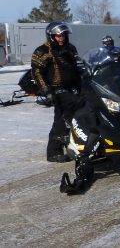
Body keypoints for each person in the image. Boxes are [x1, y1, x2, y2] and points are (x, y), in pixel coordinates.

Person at [31, 21, 83, 163]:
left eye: (63, 35)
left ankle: (55, 152)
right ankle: (58, 145)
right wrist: (46, 91)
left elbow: (76, 69)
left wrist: (83, 87)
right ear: (51, 36)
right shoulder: (43, 51)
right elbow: (37, 72)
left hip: (70, 87)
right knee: (75, 106)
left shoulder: (70, 48)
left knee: (61, 117)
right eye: (58, 36)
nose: (61, 38)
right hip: (55, 89)